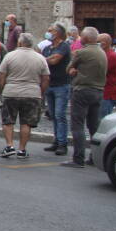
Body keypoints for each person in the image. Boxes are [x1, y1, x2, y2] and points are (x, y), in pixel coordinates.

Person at [0, 33, 50, 159]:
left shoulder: (10, 56)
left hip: (11, 92)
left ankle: (9, 146)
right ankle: (22, 149)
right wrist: (40, 92)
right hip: (32, 93)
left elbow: (0, 75)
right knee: (26, 123)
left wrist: (2, 90)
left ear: (19, 43)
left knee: (8, 121)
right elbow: (46, 78)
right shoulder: (40, 58)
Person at [64, 27, 106, 168]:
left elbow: (68, 69)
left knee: (77, 124)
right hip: (98, 91)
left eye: (81, 36)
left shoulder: (83, 52)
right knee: (94, 125)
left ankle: (78, 158)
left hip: (82, 90)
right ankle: (95, 157)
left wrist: (73, 70)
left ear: (86, 39)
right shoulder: (102, 53)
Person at [43, 23, 72, 156]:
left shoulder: (64, 46)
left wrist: (45, 59)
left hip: (61, 85)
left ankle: (62, 143)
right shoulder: (48, 47)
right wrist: (47, 59)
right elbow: (43, 61)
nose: (49, 32)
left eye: (51, 30)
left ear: (58, 33)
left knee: (60, 115)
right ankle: (56, 140)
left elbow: (54, 61)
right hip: (50, 84)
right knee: (53, 115)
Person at [99, 34, 116, 117]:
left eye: (98, 42)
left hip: (108, 93)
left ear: (104, 43)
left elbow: (101, 72)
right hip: (105, 92)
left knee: (103, 120)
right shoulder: (105, 54)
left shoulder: (111, 56)